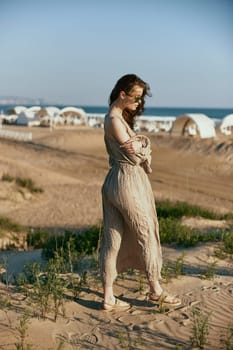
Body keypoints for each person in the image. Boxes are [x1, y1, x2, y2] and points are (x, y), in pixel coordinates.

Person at [99, 74, 181, 311]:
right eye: (136, 97)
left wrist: (140, 143)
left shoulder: (113, 118)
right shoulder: (114, 120)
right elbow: (135, 155)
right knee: (146, 232)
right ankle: (155, 291)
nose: (139, 102)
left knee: (112, 238)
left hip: (115, 181)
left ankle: (108, 297)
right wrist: (145, 143)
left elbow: (135, 148)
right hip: (128, 181)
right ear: (122, 95)